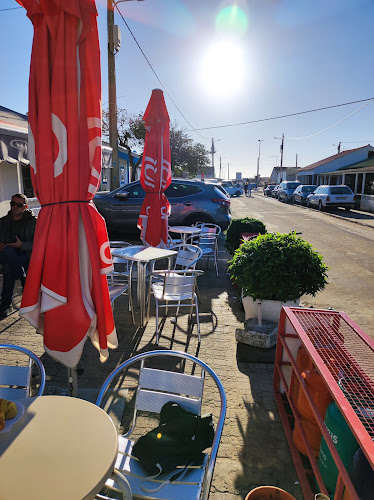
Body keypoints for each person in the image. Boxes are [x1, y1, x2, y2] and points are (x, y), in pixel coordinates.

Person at [0, 194, 37, 318]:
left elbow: (39, 243)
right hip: (7, 254)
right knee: (8, 255)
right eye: (12, 204)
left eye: (19, 205)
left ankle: (6, 304)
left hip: (26, 256)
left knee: (8, 267)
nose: (15, 207)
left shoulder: (33, 222)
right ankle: (22, 276)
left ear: (25, 206)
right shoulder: (3, 221)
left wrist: (21, 245)